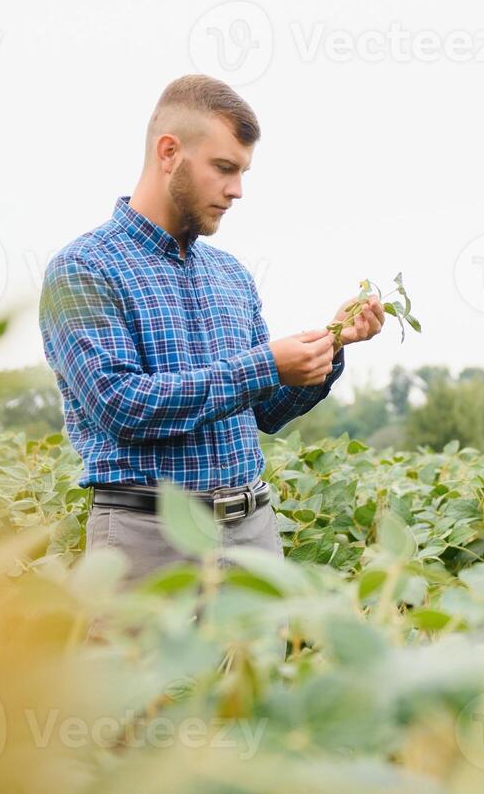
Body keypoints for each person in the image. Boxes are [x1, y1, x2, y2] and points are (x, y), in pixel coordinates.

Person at [39, 74, 386, 592]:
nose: (236, 190)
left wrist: (332, 344)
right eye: (224, 168)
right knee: (148, 676)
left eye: (243, 172)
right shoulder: (83, 269)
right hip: (146, 539)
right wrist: (266, 364)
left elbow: (266, 409)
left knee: (258, 675)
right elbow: (120, 405)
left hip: (252, 533)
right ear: (169, 152)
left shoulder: (231, 274)